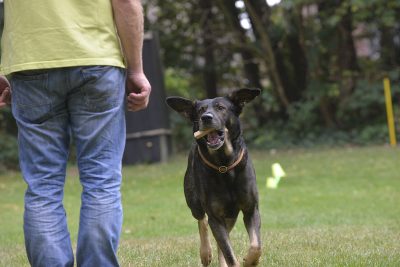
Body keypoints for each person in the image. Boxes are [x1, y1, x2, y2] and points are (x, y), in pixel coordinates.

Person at [0, 0, 151, 266]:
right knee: (101, 179)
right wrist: (136, 68)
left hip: (30, 62)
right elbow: (126, 2)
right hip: (97, 59)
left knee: (42, 185)